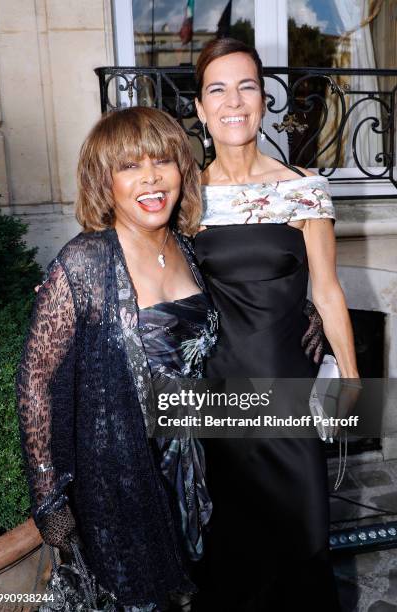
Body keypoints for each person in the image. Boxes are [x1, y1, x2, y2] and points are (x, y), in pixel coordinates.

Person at [15, 107, 219, 611]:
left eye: (163, 161)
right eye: (130, 166)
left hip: (193, 469)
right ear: (105, 181)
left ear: (182, 171)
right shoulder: (83, 262)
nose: (150, 178)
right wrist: (49, 495)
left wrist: (300, 309)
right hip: (121, 478)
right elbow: (35, 381)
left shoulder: (186, 248)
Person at [191, 38, 360, 612]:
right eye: (217, 88)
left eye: (246, 86)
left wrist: (352, 378)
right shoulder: (183, 198)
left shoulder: (304, 187)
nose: (233, 101)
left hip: (290, 389)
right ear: (199, 108)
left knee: (304, 538)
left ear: (264, 101)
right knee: (233, 546)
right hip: (216, 396)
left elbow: (328, 289)